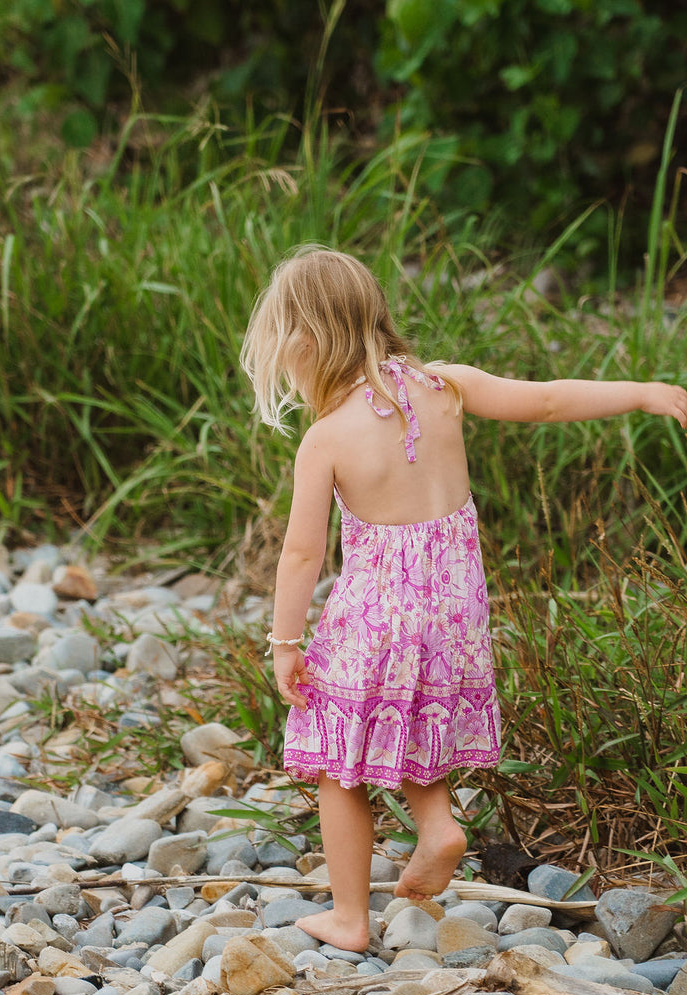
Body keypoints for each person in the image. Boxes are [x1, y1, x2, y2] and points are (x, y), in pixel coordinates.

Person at [241, 245, 687, 953]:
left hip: (374, 619)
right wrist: (643, 391)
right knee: (415, 717)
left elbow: (302, 554)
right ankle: (438, 821)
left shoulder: (325, 439)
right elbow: (544, 399)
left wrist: (286, 644)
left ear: (306, 341)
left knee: (335, 758)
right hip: (455, 611)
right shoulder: (445, 386)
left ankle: (351, 917)